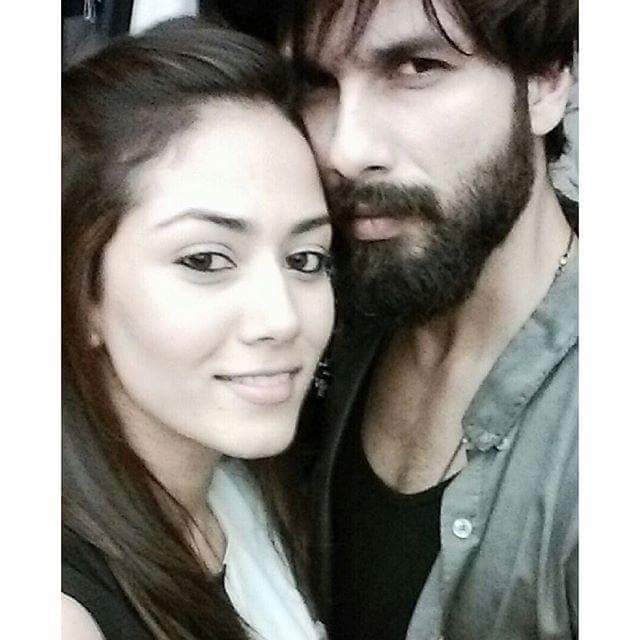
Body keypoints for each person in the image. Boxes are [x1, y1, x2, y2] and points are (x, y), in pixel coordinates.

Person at [272, 1, 579, 639]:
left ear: (546, 82)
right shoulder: (313, 303)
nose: (346, 151)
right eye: (319, 84)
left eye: (415, 67)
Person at [62, 18, 333, 640]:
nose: (282, 318)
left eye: (305, 259)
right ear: (82, 295)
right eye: (206, 260)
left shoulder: (244, 489)